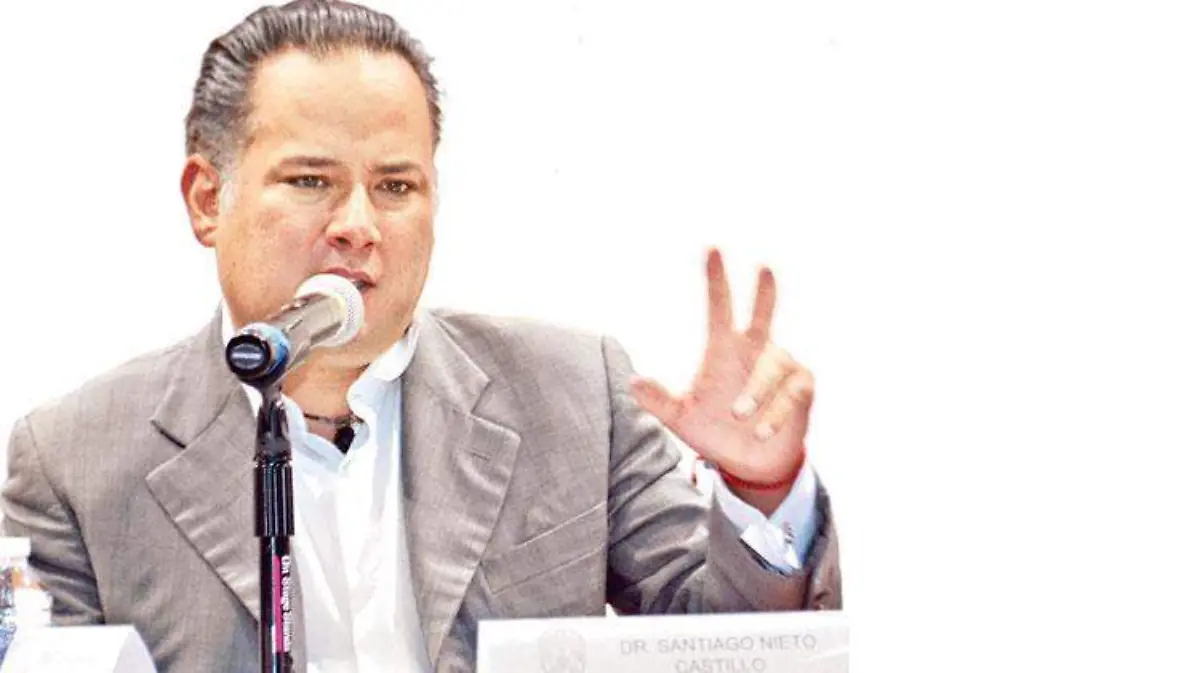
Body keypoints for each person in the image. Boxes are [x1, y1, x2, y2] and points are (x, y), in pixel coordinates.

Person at [0, 1, 841, 671]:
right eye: (311, 180)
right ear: (207, 199)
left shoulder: (575, 395)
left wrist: (760, 488)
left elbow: (727, 646)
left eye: (396, 186)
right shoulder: (73, 461)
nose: (358, 225)